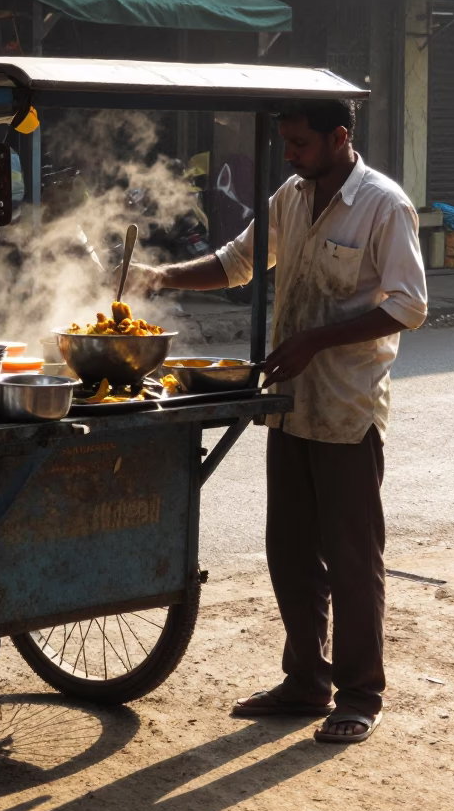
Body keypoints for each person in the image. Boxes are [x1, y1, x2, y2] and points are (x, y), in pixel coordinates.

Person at [124, 99, 427, 743]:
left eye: (299, 144)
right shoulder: (292, 196)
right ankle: (306, 680)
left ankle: (358, 694)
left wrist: (318, 340)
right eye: (285, 144)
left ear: (339, 137)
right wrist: (160, 275)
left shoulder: (384, 204)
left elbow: (409, 304)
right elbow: (237, 262)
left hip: (346, 407)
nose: (288, 155)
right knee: (289, 550)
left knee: (350, 557)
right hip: (289, 405)